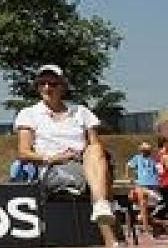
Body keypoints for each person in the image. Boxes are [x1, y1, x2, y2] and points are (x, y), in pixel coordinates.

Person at [14, 64, 117, 246]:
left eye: (52, 83)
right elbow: (23, 153)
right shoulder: (29, 114)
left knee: (96, 152)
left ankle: (103, 212)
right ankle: (110, 237)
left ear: (62, 86)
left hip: (85, 162)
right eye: (42, 83)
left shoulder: (81, 112)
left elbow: (95, 144)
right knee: (100, 179)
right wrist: (52, 158)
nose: (46, 87)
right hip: (54, 166)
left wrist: (85, 155)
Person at [127, 141, 164, 236]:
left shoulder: (153, 160)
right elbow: (128, 166)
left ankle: (146, 223)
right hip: (142, 186)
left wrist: (158, 178)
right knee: (142, 203)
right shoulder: (137, 158)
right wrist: (130, 178)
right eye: (144, 149)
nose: (146, 151)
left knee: (143, 212)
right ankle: (146, 227)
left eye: (147, 149)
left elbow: (158, 172)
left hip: (153, 187)